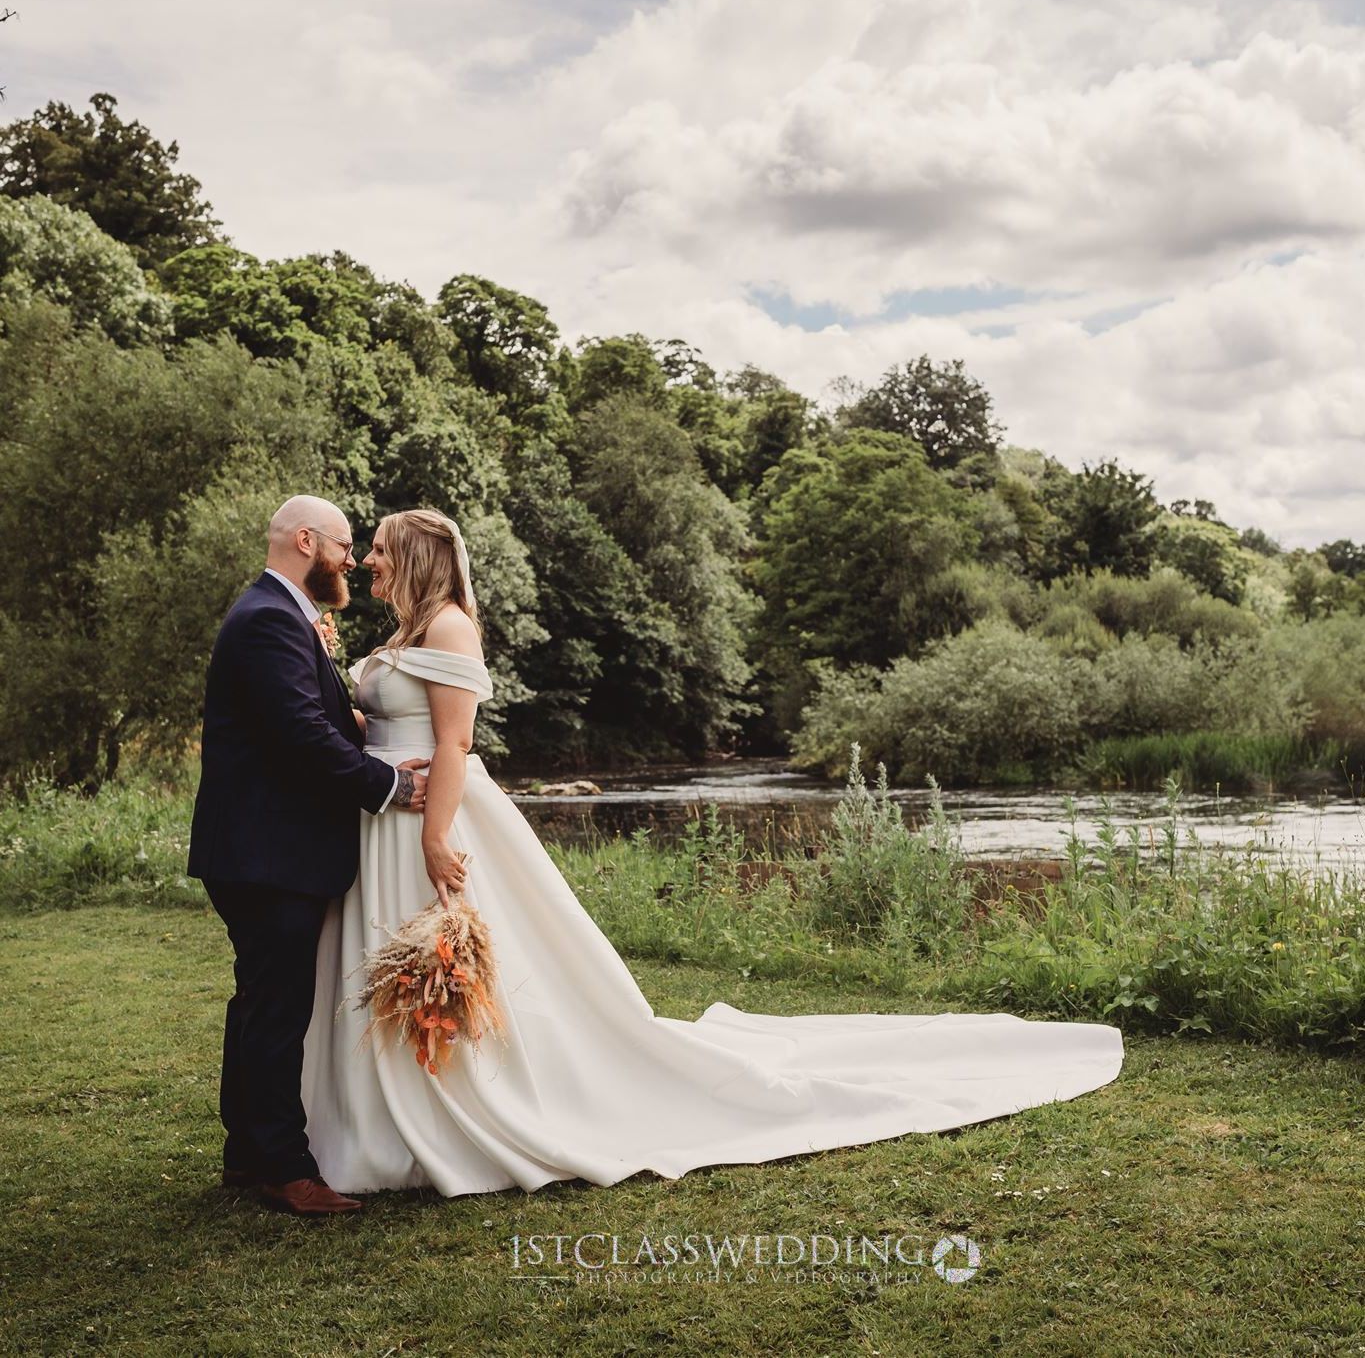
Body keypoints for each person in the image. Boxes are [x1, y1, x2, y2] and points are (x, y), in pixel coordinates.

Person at [302, 508, 1124, 1198]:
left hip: (434, 818)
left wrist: (439, 835)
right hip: (388, 814)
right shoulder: (406, 629)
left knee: (465, 963)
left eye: (378, 547)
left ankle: (454, 1111)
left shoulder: (449, 625)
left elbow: (455, 742)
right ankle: (379, 1114)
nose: (368, 558)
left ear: (412, 554)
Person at [188, 495, 463, 1216]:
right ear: (307, 541)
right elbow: (302, 738)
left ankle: (248, 1150)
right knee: (277, 1005)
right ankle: (285, 1168)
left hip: (256, 844)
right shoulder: (269, 621)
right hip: (266, 846)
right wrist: (391, 784)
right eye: (345, 545)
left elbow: (311, 718)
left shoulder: (276, 617)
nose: (352, 558)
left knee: (259, 999)